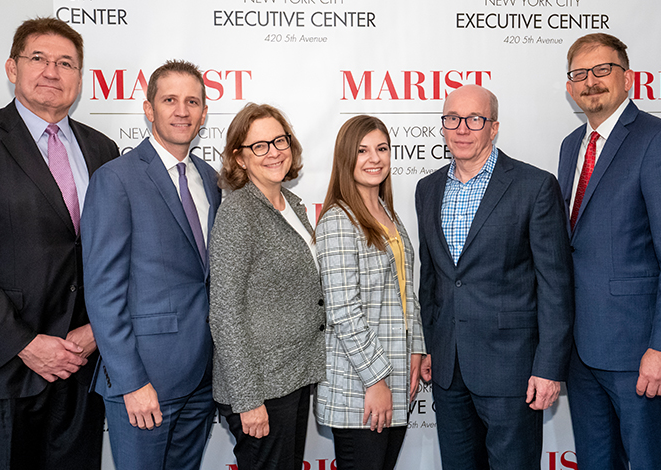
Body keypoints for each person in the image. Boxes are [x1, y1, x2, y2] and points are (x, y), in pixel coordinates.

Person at [0, 17, 118, 470]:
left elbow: (116, 255)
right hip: (4, 368)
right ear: (12, 68)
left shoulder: (103, 149)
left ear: (79, 78)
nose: (52, 71)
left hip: (82, 366)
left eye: (65, 63)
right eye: (39, 58)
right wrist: (25, 343)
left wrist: (96, 332)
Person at [559, 33, 661, 470]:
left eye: (602, 70)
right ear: (569, 88)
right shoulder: (571, 145)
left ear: (628, 78)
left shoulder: (660, 141)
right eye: (580, 74)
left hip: (639, 353)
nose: (591, 81)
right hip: (580, 352)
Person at [414, 84, 574, 470]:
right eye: (452, 119)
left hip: (512, 370)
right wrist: (432, 345)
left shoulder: (534, 186)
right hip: (449, 370)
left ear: (494, 127)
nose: (461, 129)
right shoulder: (427, 189)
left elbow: (555, 285)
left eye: (474, 119)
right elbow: (432, 278)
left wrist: (548, 367)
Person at [80, 60, 221, 470]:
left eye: (192, 102)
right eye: (170, 100)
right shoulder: (116, 179)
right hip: (145, 380)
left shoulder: (211, 178)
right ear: (148, 109)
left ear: (204, 113)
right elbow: (103, 291)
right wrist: (131, 381)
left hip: (202, 377)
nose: (182, 111)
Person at [209, 103, 325, 470]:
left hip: (292, 375)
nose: (273, 152)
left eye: (279, 140)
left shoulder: (291, 204)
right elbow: (224, 313)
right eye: (259, 146)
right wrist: (247, 400)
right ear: (239, 158)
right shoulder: (238, 213)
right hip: (260, 386)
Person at [314, 115, 425, 470]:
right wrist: (376, 380)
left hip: (396, 376)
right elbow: (343, 311)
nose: (374, 158)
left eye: (382, 148)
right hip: (359, 386)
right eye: (362, 151)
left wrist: (417, 348)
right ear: (346, 157)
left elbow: (406, 291)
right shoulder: (338, 220)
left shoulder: (388, 214)